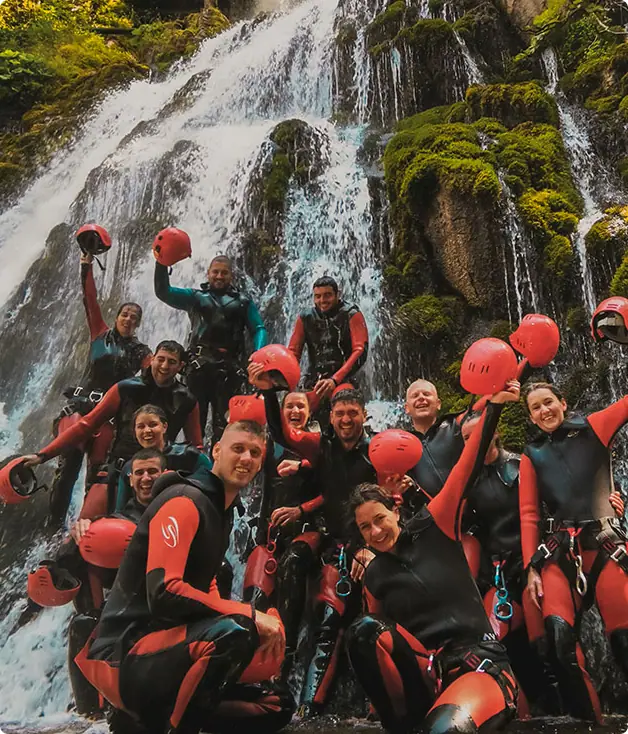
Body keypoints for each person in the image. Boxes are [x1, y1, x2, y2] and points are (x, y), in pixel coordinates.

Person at [75, 421, 294, 734]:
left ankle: (145, 722)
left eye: (255, 452)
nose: (246, 457)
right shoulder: (184, 501)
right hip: (125, 655)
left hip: (170, 652)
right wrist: (249, 614)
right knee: (235, 630)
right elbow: (164, 592)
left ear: (261, 463)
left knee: (277, 704)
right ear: (216, 451)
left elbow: (208, 587)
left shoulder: (222, 510)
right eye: (238, 448)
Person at [345, 382, 521, 734]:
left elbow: (464, 470)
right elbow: (380, 644)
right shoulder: (375, 575)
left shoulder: (435, 526)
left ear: (395, 510)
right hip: (428, 672)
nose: (376, 532)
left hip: (478, 665)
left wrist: (496, 406)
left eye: (379, 519)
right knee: (361, 631)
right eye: (365, 528)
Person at [250, 362, 379, 718]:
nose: (346, 419)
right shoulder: (321, 447)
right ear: (331, 416)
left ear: (364, 416)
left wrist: (369, 547)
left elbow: (388, 503)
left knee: (332, 616)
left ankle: (317, 705)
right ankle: (283, 658)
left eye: (353, 413)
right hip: (328, 535)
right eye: (339, 413)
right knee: (293, 564)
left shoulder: (376, 451)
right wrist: (271, 392)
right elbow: (282, 436)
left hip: (362, 542)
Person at [520, 382, 628, 722]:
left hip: (605, 544)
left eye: (548, 402)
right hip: (559, 552)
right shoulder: (531, 454)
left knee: (625, 640)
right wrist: (530, 569)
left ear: (563, 402)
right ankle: (590, 723)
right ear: (530, 416)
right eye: (535, 407)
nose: (544, 411)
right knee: (559, 641)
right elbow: (529, 515)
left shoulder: (595, 426)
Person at [23, 341, 202, 511]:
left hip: (155, 477)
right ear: (152, 358)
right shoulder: (125, 388)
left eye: (172, 362)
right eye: (161, 359)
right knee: (85, 534)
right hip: (115, 472)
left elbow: (196, 446)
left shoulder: (187, 400)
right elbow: (87, 424)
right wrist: (43, 455)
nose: (164, 366)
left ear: (180, 366)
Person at [460, 413, 560, 715]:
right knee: (493, 644)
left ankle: (565, 712)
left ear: (495, 431)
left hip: (532, 565)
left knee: (547, 644)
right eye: (466, 437)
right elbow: (453, 521)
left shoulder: (521, 466)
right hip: (496, 574)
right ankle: (520, 714)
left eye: (479, 432)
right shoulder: (465, 479)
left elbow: (556, 506)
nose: (474, 440)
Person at [49, 251, 151, 524]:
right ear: (117, 316)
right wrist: (86, 265)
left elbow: (155, 373)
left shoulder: (141, 350)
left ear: (138, 324)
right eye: (125, 314)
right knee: (67, 468)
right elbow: (89, 299)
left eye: (134, 318)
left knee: (96, 477)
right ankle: (53, 526)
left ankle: (85, 529)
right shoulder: (98, 333)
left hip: (107, 417)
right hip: (78, 410)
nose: (128, 319)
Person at [241, 384, 321, 677]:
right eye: (290, 406)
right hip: (272, 534)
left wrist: (302, 510)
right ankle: (246, 657)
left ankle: (285, 656)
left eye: (301, 406)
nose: (296, 411)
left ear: (310, 412)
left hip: (309, 531)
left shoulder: (317, 444)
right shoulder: (268, 445)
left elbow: (334, 490)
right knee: (256, 592)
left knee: (292, 564)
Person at [155, 253, 268, 441]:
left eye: (224, 273)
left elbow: (258, 328)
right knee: (193, 421)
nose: (219, 276)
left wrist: (258, 356)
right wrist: (161, 262)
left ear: (231, 275)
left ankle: (220, 464)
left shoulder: (243, 302)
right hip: (198, 366)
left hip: (229, 369)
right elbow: (163, 292)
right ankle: (191, 462)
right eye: (215, 272)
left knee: (225, 424)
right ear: (208, 273)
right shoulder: (196, 297)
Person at [114, 404, 213, 512]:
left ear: (164, 426)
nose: (147, 430)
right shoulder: (129, 467)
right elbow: (121, 510)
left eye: (153, 425)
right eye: (141, 426)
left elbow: (214, 488)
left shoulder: (189, 456)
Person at [288, 276, 368, 404]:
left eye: (327, 295)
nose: (322, 300)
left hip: (344, 379)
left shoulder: (351, 314)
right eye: (318, 296)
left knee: (343, 403)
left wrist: (335, 380)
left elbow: (360, 350)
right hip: (313, 379)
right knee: (294, 406)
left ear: (338, 294)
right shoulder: (305, 317)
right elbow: (293, 352)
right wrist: (285, 379)